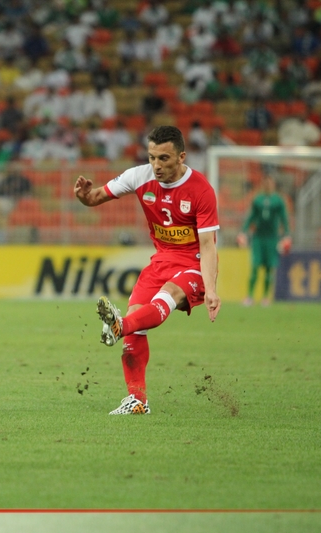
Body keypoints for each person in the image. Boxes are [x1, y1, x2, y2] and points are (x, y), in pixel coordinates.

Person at [74, 126, 220, 415]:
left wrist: (212, 288)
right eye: (152, 157)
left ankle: (119, 325)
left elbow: (209, 244)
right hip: (161, 260)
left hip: (193, 262)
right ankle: (137, 399)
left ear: (181, 157)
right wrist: (83, 196)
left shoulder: (201, 190)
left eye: (164, 158)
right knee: (136, 321)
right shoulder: (139, 176)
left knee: (162, 299)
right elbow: (95, 197)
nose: (156, 165)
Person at [237, 175, 290, 307]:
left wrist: (287, 234)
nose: (267, 185)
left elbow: (284, 218)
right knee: (255, 267)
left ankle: (266, 297)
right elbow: (251, 217)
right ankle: (250, 296)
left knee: (269, 268)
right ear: (262, 184)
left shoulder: (278, 200)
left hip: (272, 238)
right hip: (258, 238)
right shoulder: (258, 200)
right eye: (265, 182)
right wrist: (243, 231)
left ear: (273, 184)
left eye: (270, 182)